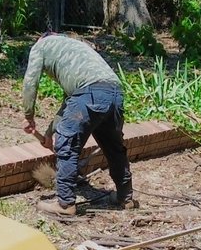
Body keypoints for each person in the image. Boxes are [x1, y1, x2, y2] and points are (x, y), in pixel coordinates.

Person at [21, 33, 135, 217]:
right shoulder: (75, 49)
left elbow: (30, 82)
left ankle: (65, 204)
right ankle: (125, 197)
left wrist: (28, 115)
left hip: (89, 93)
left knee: (66, 145)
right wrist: (50, 132)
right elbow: (71, 101)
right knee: (114, 147)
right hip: (114, 93)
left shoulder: (40, 47)